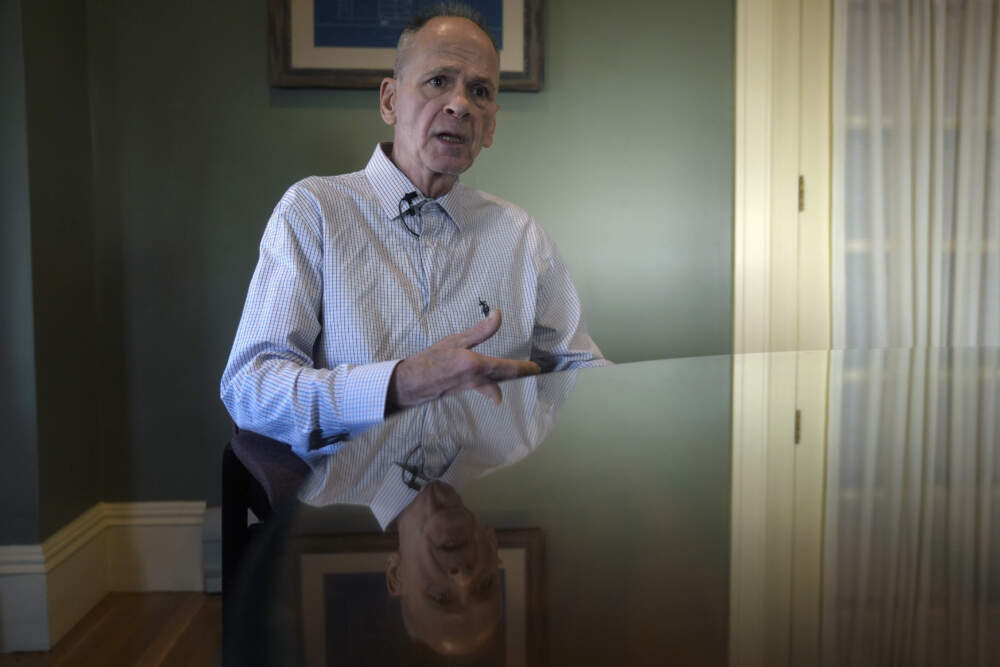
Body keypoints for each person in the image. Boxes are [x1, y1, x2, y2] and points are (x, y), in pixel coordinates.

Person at [220, 3, 607, 454]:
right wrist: (400, 384)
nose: (460, 104)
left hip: (493, 491)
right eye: (439, 81)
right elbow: (250, 389)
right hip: (354, 496)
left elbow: (581, 369)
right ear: (390, 100)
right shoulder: (313, 211)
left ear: (490, 126)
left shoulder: (521, 234)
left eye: (479, 91)